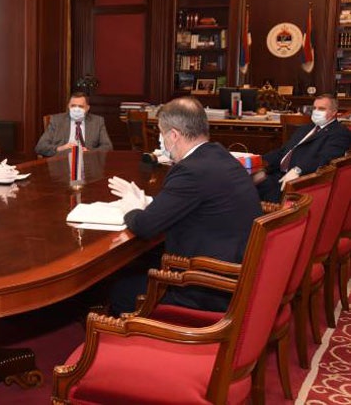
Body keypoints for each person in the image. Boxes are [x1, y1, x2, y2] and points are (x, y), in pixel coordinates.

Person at [107, 97, 262, 315]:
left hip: (208, 286)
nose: (160, 141)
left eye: (161, 134)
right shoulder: (220, 156)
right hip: (237, 270)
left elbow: (144, 226)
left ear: (173, 135)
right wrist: (147, 203)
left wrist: (132, 207)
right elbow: (192, 203)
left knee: (119, 290)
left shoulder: (190, 170)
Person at [255, 93, 351, 202]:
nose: (316, 111)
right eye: (314, 108)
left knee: (250, 193)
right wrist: (258, 160)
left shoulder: (340, 133)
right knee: (246, 181)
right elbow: (283, 152)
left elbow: (325, 160)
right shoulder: (305, 129)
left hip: (299, 182)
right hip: (276, 173)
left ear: (334, 112)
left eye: (321, 109)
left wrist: (298, 170)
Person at [35, 92, 113, 157]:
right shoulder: (57, 121)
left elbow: (108, 147)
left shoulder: (97, 121)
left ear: (87, 108)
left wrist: (90, 152)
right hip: (62, 161)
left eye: (80, 106)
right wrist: (60, 148)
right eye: (73, 106)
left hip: (88, 161)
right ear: (68, 106)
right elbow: (40, 147)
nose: (76, 109)